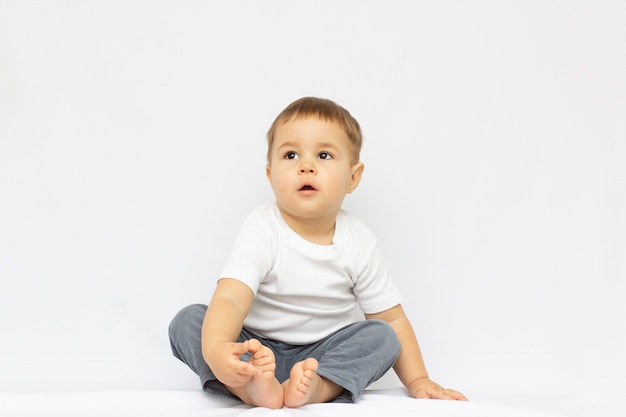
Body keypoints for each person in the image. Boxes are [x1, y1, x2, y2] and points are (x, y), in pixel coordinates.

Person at [169, 97, 467, 409]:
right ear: (270, 176)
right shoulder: (262, 228)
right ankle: (250, 385)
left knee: (383, 336)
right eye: (291, 154)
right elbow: (230, 298)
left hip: (322, 356)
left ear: (353, 177)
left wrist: (419, 381)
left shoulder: (359, 241)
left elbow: (391, 318)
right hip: (255, 348)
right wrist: (218, 348)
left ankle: (317, 387)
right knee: (188, 321)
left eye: (323, 155)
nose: (306, 165)